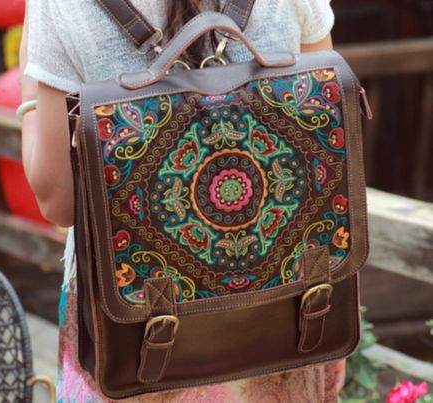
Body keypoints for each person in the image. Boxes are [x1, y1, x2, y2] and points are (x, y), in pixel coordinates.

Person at [19, 0, 346, 401]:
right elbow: (328, 128)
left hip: (145, 335)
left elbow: (59, 201)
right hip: (291, 309)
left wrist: (30, 98)